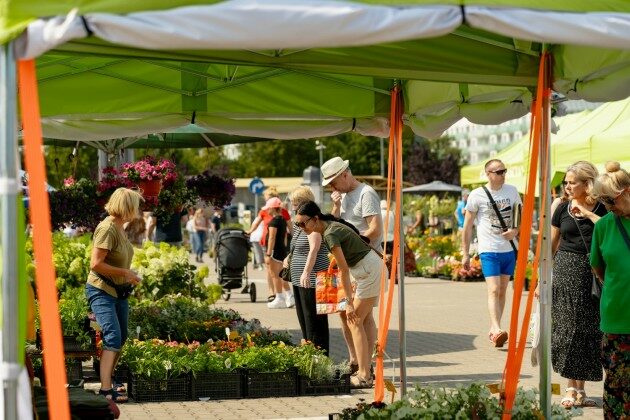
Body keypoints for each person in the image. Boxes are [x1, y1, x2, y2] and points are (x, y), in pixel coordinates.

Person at [295, 200, 386, 388]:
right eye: (298, 224)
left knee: (354, 320)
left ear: (315, 218)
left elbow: (343, 270)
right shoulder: (329, 227)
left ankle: (364, 375)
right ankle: (367, 369)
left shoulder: (329, 233)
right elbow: (345, 259)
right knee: (365, 319)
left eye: (304, 223)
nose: (302, 227)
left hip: (368, 271)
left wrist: (349, 302)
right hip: (367, 269)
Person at [546, 161, 605, 409]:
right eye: (566, 182)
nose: (567, 186)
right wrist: (542, 278)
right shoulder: (561, 207)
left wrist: (588, 213)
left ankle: (582, 389)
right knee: (569, 328)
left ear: (587, 183)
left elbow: (608, 231)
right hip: (566, 270)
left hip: (594, 272)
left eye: (572, 182)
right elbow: (551, 244)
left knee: (589, 330)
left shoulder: (603, 207)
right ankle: (571, 387)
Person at [321, 156, 383, 373]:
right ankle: (356, 360)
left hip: (364, 261)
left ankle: (368, 365)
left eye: (333, 182)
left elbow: (375, 230)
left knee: (358, 315)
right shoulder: (345, 196)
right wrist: (336, 206)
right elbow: (334, 225)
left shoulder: (366, 194)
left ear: (345, 174)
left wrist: (352, 242)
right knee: (345, 312)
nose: (332, 187)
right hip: (350, 263)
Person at [86, 188, 143, 403]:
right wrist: (125, 273)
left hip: (118, 291)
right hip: (101, 290)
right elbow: (96, 264)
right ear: (127, 206)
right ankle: (105, 389)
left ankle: (110, 378)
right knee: (112, 336)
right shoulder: (107, 228)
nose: (137, 210)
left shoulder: (120, 227)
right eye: (135, 205)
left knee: (122, 336)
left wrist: (128, 275)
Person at [462, 159, 521, 348]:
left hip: (508, 249)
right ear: (488, 173)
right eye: (499, 172)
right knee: (494, 289)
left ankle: (495, 329)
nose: (503, 174)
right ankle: (496, 329)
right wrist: (465, 253)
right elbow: (468, 225)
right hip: (488, 248)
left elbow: (520, 216)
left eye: (504, 171)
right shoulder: (477, 195)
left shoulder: (512, 191)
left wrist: (515, 231)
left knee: (503, 290)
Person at [590, 161, 630, 419]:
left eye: (610, 201)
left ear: (626, 191)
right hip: (616, 319)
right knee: (616, 390)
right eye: (603, 203)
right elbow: (598, 267)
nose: (607, 208)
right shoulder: (605, 225)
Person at [286, 186, 330, 354]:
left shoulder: (312, 223)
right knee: (304, 320)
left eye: (295, 202)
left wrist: (306, 271)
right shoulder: (300, 223)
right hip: (300, 279)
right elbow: (298, 246)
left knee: (314, 321)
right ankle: (309, 353)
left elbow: (314, 248)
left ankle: (319, 356)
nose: (292, 205)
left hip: (311, 279)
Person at [247, 187, 292, 303]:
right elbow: (256, 223)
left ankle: (281, 296)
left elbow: (289, 228)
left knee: (276, 272)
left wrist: (291, 242)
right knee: (271, 270)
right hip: (266, 242)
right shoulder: (264, 212)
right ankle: (274, 293)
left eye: (267, 199)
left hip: (275, 245)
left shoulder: (281, 215)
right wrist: (249, 231)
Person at [263, 197, 294, 309]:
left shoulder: (274, 222)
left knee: (275, 275)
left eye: (268, 208)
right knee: (281, 275)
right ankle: (289, 296)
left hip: (274, 252)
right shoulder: (282, 220)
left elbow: (271, 238)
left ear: (272, 208)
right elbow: (285, 236)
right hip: (282, 250)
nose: (267, 210)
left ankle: (280, 298)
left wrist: (268, 254)